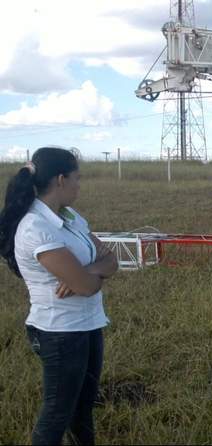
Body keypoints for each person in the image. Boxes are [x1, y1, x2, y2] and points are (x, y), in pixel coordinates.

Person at [0, 147, 118, 445]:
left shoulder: (69, 216)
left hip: (88, 324)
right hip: (60, 333)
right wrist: (88, 276)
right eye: (78, 178)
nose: (80, 185)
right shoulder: (35, 228)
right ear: (61, 180)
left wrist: (88, 269)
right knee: (57, 414)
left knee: (83, 411)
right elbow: (88, 287)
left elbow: (111, 261)